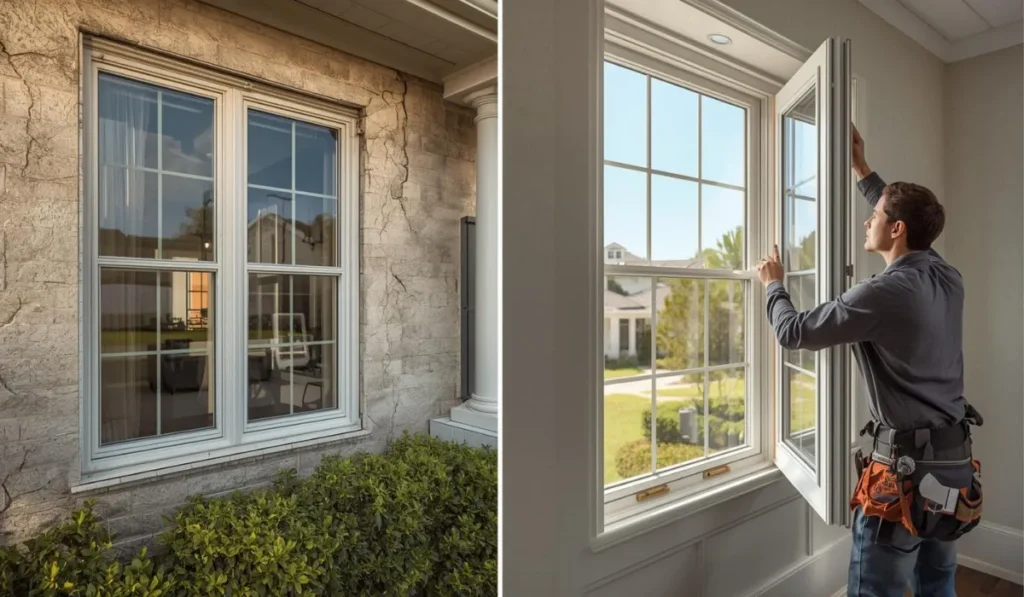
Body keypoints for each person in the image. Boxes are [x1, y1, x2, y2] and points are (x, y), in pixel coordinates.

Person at [754, 125, 982, 597]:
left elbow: (793, 332)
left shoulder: (881, 294)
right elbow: (913, 228)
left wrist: (773, 284)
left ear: (896, 229)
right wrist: (862, 169)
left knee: (875, 591)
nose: (866, 220)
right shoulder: (948, 277)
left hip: (902, 478)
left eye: (874, 215)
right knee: (938, 583)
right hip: (953, 466)